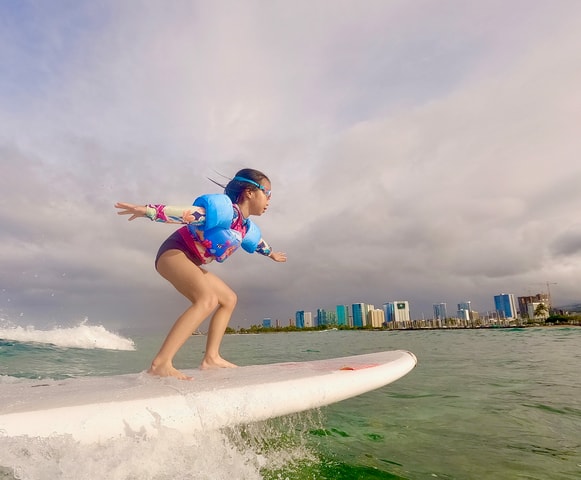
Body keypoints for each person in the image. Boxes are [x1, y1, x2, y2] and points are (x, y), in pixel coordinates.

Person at [115, 168, 286, 380]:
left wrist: (271, 255)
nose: (269, 199)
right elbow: (187, 214)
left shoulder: (244, 226)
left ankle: (211, 358)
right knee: (207, 299)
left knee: (229, 299)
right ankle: (160, 364)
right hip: (174, 253)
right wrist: (148, 211)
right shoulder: (226, 212)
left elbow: (258, 244)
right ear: (250, 192)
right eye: (267, 193)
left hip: (190, 260)